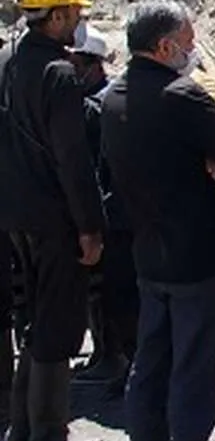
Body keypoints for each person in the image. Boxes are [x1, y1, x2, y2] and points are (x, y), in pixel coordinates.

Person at [101, 0, 215, 441]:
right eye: (188, 44)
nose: (193, 52)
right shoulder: (183, 97)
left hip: (149, 256)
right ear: (165, 46)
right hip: (197, 259)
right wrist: (208, 158)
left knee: (150, 371)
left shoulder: (112, 99)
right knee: (196, 375)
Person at [0, 0, 104, 441]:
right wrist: (90, 226)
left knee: (34, 320)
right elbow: (73, 158)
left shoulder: (8, 61)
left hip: (14, 215)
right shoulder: (60, 74)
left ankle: (21, 430)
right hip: (55, 218)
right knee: (58, 325)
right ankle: (48, 434)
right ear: (57, 15)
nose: (78, 21)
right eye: (75, 13)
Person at [70, 26, 137, 387]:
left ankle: (113, 355)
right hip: (106, 208)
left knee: (109, 290)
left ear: (92, 65)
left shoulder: (99, 107)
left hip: (109, 211)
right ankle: (104, 353)